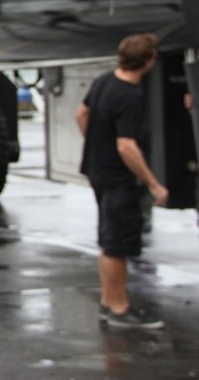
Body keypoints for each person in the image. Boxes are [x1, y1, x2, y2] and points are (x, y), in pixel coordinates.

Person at [75, 32, 169, 329]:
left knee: (108, 241)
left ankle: (108, 300)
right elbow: (126, 146)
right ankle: (119, 308)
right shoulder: (129, 95)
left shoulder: (104, 81)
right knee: (116, 244)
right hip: (117, 178)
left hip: (97, 171)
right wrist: (153, 183)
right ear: (149, 61)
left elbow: (81, 114)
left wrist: (95, 145)